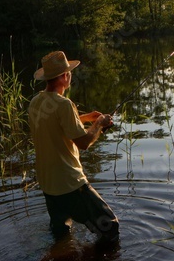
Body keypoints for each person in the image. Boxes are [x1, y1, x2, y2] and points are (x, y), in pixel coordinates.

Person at [28, 50, 119, 244]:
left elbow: (55, 124)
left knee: (61, 234)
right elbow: (84, 143)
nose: (70, 76)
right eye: (69, 73)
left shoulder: (35, 102)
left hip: (48, 183)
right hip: (70, 183)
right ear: (64, 76)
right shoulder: (64, 104)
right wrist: (100, 124)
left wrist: (86, 118)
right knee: (110, 226)